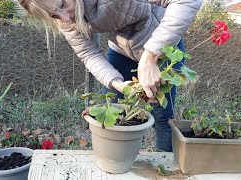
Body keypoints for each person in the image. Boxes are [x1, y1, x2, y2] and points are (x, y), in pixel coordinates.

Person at [18, 0, 203, 152]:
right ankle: (118, 164)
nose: (65, 17)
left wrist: (151, 55)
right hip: (121, 51)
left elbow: (187, 1)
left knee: (162, 116)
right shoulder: (65, 20)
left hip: (163, 49)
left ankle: (166, 167)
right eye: (54, 15)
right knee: (113, 112)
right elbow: (88, 53)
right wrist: (117, 83)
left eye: (62, 4)